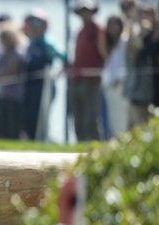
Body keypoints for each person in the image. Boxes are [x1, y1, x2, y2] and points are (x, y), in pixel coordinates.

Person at [22, 9, 66, 141]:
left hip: (44, 86)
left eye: (36, 22)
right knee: (29, 116)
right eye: (30, 22)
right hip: (30, 86)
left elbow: (64, 58)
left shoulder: (47, 42)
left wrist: (56, 75)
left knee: (40, 116)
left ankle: (42, 140)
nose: (32, 25)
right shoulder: (30, 41)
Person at [69, 0, 105, 142]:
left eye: (88, 10)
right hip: (76, 79)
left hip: (91, 81)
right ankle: (80, 146)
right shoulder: (80, 32)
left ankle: (95, 149)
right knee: (78, 117)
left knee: (90, 119)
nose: (85, 14)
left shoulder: (97, 30)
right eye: (83, 11)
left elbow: (103, 54)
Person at [123, 2, 155, 128]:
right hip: (136, 89)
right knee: (134, 126)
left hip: (153, 90)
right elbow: (137, 51)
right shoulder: (134, 31)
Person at [99, 14, 128, 138]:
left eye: (115, 24)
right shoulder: (110, 43)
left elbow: (126, 63)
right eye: (110, 24)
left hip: (120, 85)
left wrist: (120, 79)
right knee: (112, 120)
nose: (112, 28)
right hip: (109, 85)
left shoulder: (124, 41)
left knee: (121, 120)